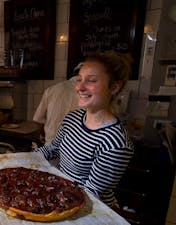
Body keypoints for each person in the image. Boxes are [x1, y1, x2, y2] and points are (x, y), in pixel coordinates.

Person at [34, 51, 134, 209]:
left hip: (92, 210)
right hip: (64, 196)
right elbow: (51, 149)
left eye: (91, 80)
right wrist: (20, 160)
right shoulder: (73, 118)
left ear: (114, 87)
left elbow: (90, 193)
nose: (79, 87)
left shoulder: (115, 142)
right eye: (80, 79)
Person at [33, 63, 83, 145]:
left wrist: (43, 133)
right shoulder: (90, 93)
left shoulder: (52, 89)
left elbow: (37, 119)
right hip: (75, 147)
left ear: (73, 74)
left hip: (50, 145)